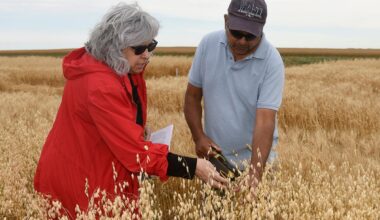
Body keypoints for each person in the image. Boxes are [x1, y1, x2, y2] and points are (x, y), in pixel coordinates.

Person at [34, 3, 227, 218]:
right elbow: (135, 153)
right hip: (82, 181)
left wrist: (134, 127)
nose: (147, 55)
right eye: (139, 49)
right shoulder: (100, 85)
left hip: (96, 170)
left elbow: (114, 125)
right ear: (115, 46)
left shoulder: (119, 68)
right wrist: (192, 167)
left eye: (150, 46)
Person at [184, 0, 285, 189]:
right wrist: (198, 136)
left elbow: (265, 121)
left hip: (258, 163)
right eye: (236, 33)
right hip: (216, 160)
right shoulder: (208, 45)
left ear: (262, 30)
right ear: (225, 21)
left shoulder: (272, 61)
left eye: (250, 36)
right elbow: (192, 97)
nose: (242, 41)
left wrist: (255, 176)